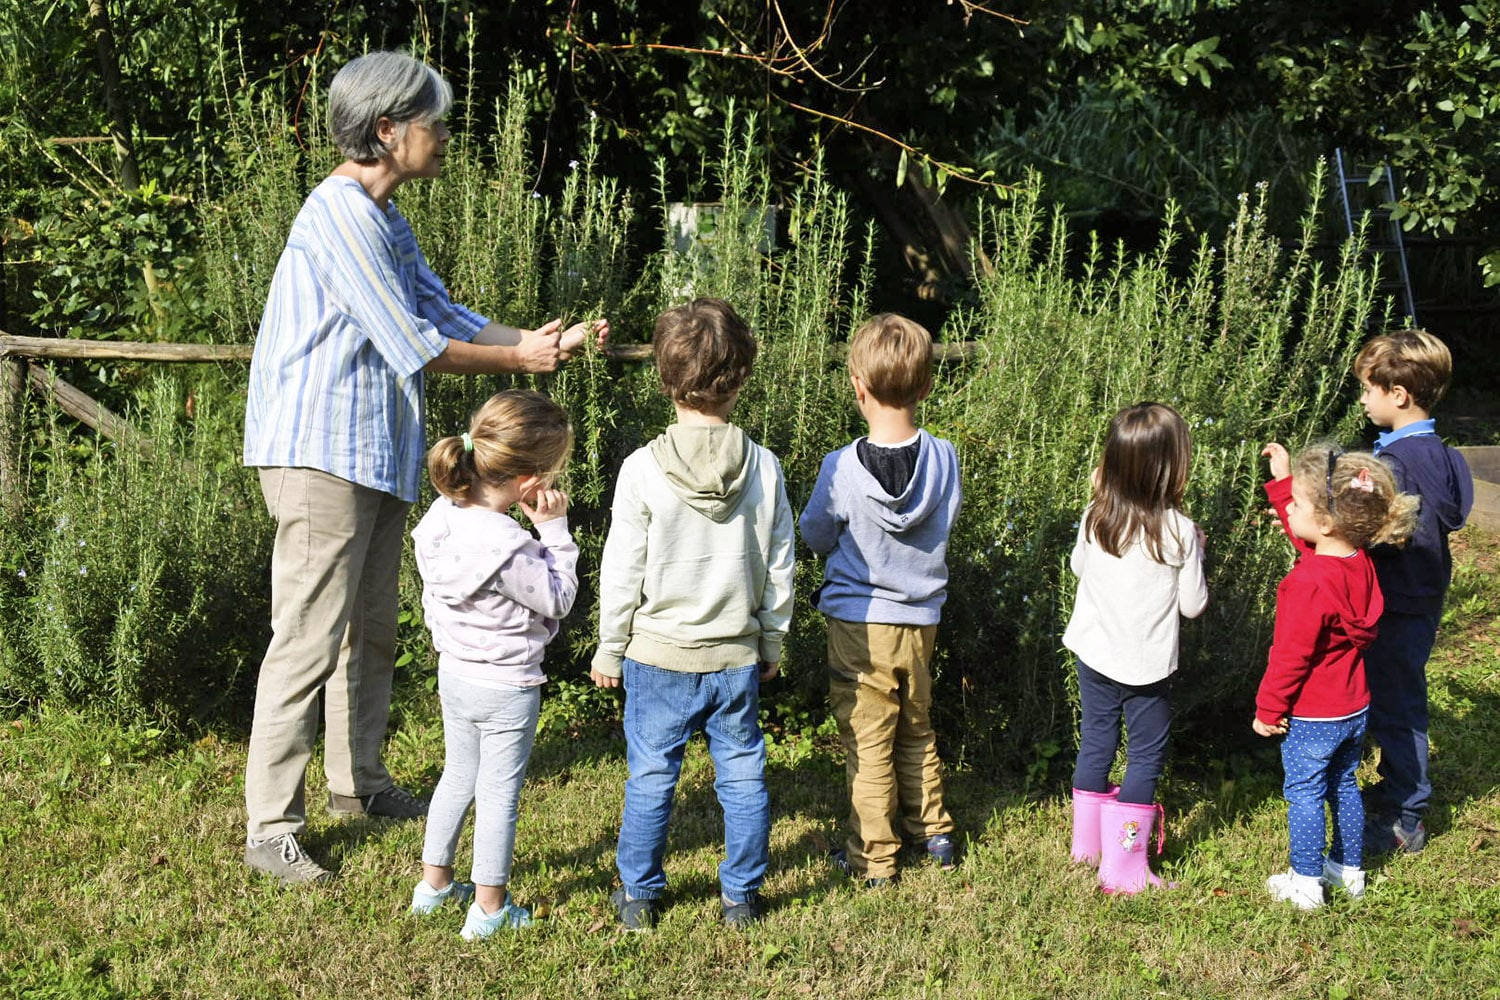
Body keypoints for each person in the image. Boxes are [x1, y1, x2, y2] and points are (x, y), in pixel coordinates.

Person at [241, 51, 607, 884]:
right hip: (316, 454)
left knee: (366, 633)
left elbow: (439, 307)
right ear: (386, 130)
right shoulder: (336, 215)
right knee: (306, 636)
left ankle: (358, 785)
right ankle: (270, 826)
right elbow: (414, 344)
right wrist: (518, 364)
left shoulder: (384, 218)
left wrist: (534, 344)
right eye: (433, 122)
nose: (444, 137)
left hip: (368, 451)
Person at [590, 298, 794, 930]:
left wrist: (609, 645)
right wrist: (773, 641)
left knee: (651, 776)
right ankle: (740, 896)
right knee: (742, 773)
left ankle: (641, 896)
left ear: (663, 377)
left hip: (657, 656)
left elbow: (622, 568)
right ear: (740, 379)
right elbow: (779, 562)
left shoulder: (641, 469)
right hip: (735, 654)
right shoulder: (764, 466)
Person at [406, 390, 577, 939]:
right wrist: (554, 532)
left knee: (457, 774)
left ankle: (432, 887)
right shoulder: (507, 546)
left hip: (455, 671)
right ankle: (489, 909)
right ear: (531, 482)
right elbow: (558, 598)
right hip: (507, 683)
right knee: (499, 792)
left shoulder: (441, 518)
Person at [798, 313, 961, 887]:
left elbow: (814, 533)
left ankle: (874, 856)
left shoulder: (841, 466)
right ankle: (934, 833)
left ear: (857, 387)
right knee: (916, 724)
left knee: (868, 741)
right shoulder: (944, 457)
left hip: (858, 621)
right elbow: (947, 520)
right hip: (921, 618)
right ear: (926, 386)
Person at [1254, 444, 1417, 909]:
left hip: (1313, 712)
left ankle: (1305, 882)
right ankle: (1348, 871)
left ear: (1327, 522)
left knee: (1304, 792)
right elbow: (1307, 538)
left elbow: (1289, 658)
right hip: (1354, 706)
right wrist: (1286, 483)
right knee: (1343, 784)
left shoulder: (1306, 585)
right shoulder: (1356, 561)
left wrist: (1268, 710)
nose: (1291, 510)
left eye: (1299, 504)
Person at [1061, 402, 1207, 894]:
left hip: (1095, 655)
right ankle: (1124, 869)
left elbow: (1080, 569)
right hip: (1146, 667)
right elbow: (1192, 606)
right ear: (1172, 467)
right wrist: (1199, 555)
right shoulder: (1178, 532)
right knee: (1144, 756)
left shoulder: (1095, 517)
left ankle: (1087, 847)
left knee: (1097, 741)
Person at [1353, 330, 1473, 854]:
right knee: (1395, 696)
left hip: (1399, 601)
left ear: (1397, 394)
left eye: (1368, 389)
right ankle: (1394, 788)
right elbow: (1454, 511)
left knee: (1398, 706)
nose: (1363, 398)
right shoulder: (1439, 452)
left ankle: (1406, 816)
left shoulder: (1402, 461)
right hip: (1420, 599)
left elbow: (1404, 537)